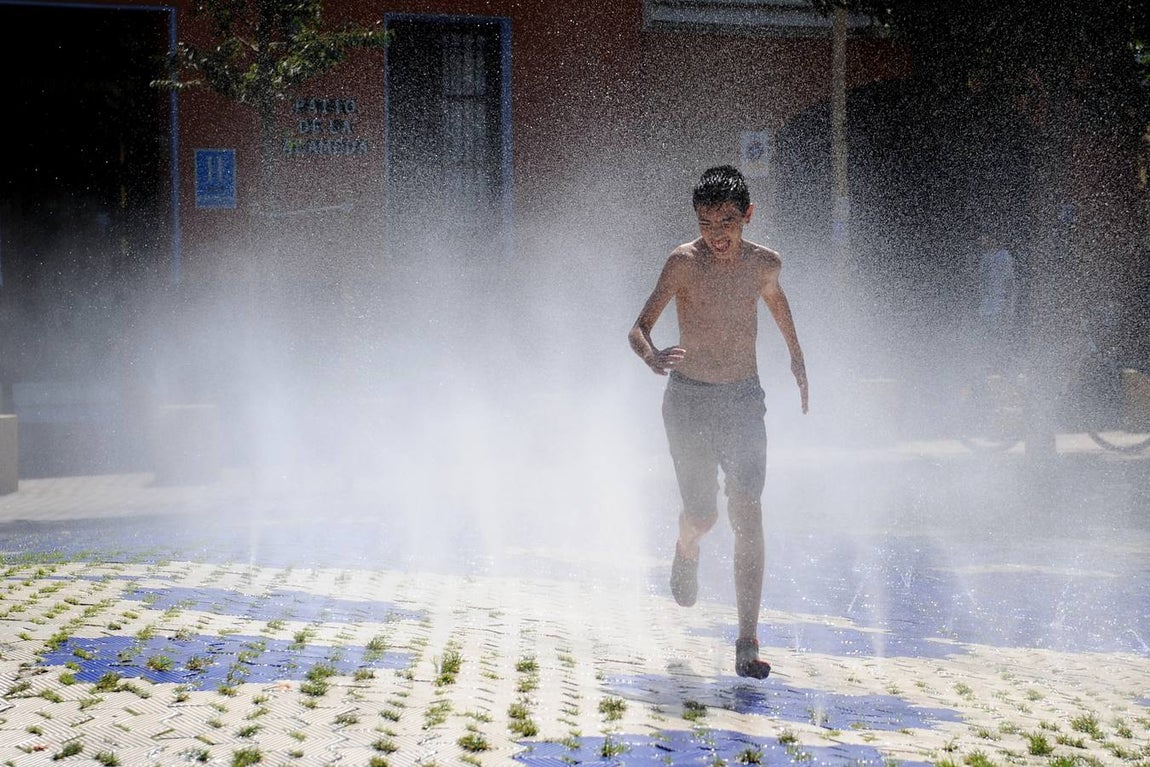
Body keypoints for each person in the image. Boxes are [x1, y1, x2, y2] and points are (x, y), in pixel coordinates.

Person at [628, 165, 808, 679]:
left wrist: (798, 360)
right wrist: (652, 356)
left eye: (727, 221)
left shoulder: (764, 264)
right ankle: (686, 546)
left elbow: (778, 305)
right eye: (707, 223)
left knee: (747, 510)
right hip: (688, 402)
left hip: (743, 401)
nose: (717, 234)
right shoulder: (683, 264)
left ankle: (747, 640)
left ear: (747, 216)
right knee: (704, 516)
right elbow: (638, 328)